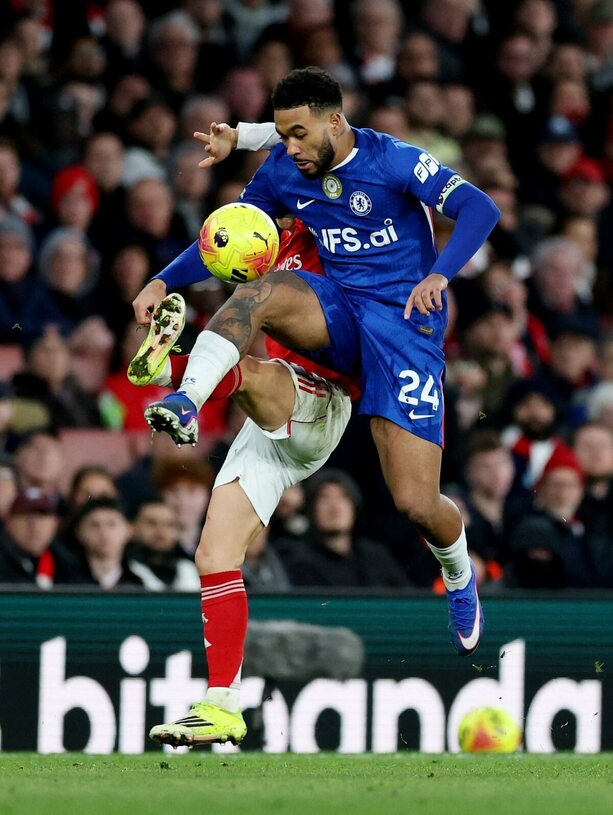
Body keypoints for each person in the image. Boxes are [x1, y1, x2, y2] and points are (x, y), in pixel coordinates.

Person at [134, 67, 498, 746]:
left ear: (333, 122)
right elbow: (225, 239)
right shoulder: (277, 189)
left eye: (299, 134)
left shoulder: (390, 160)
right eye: (283, 136)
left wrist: (440, 273)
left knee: (417, 503)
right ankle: (220, 702)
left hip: (401, 330)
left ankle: (457, 567)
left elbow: (479, 208)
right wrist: (160, 277)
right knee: (215, 549)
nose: (290, 149)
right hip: (322, 346)